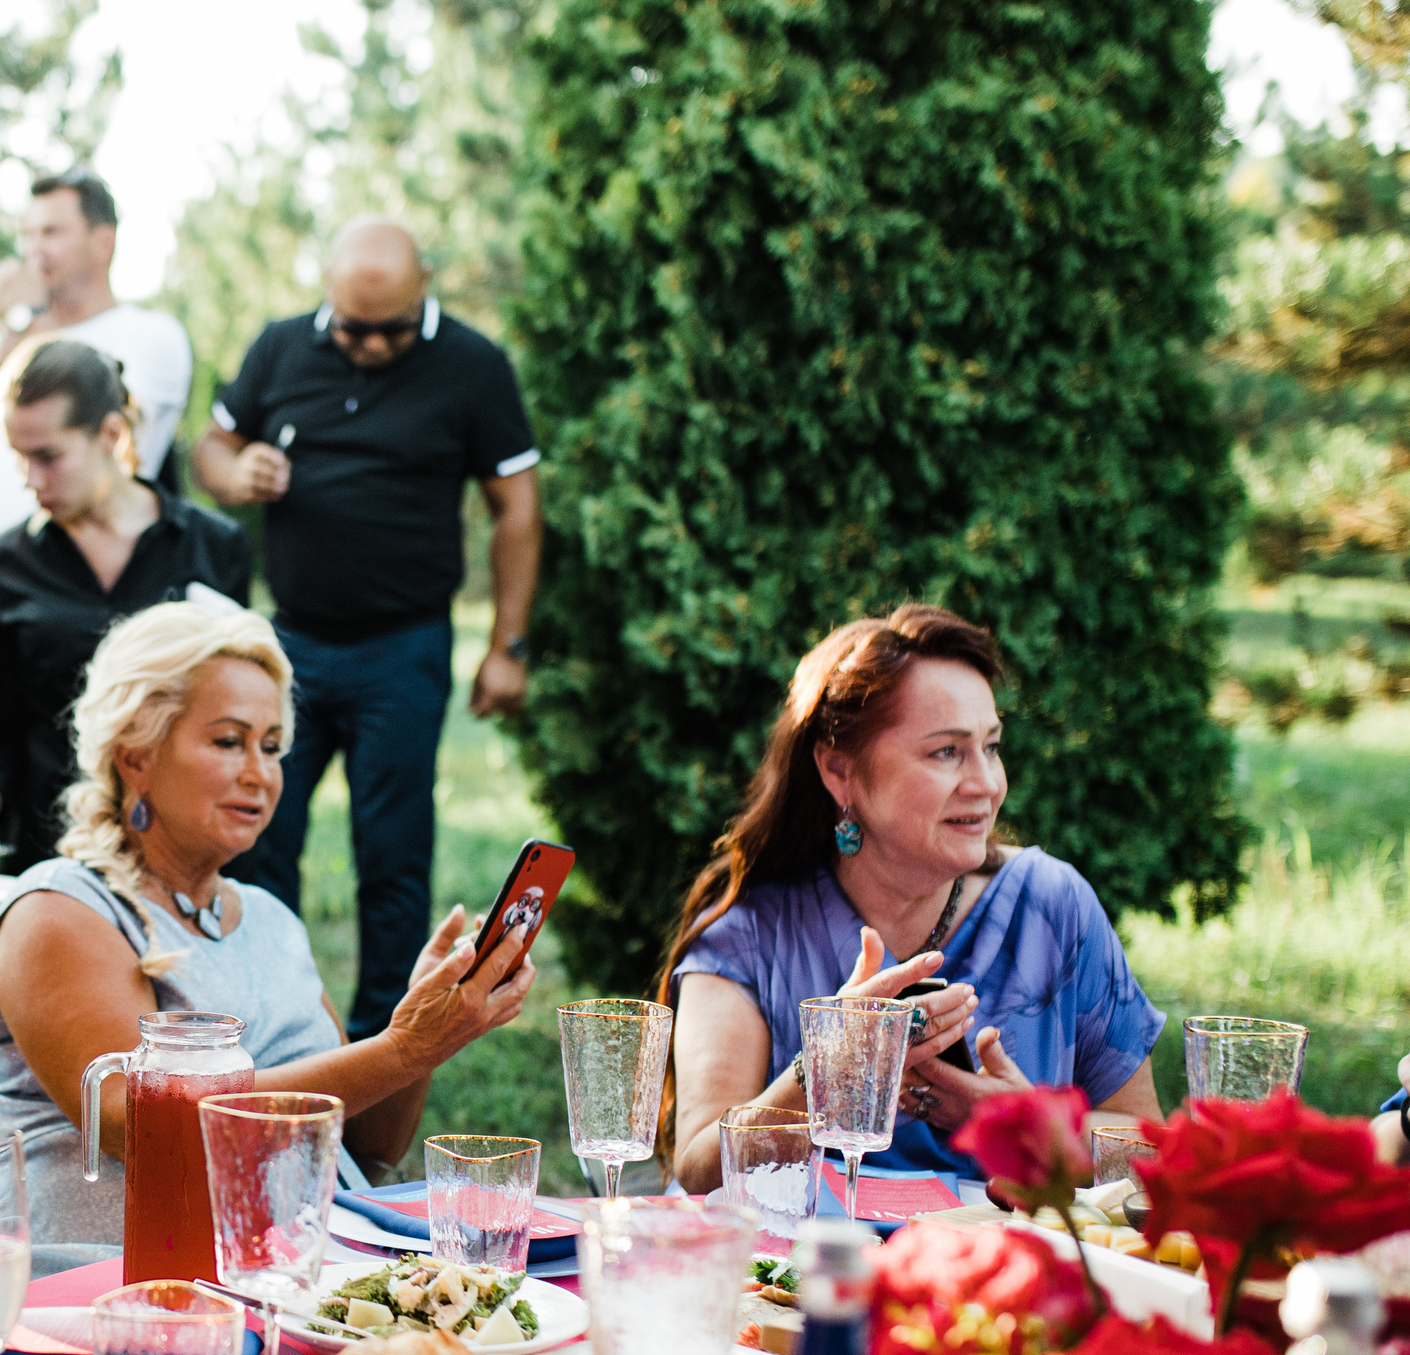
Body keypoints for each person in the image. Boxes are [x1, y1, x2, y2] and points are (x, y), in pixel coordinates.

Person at [0, 602, 534, 1244]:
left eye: (271, 747)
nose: (260, 775)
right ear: (136, 756)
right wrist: (402, 1046)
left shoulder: (268, 919)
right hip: (113, 1292)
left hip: (300, 1278)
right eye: (228, 741)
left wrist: (429, 1030)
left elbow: (366, 1146)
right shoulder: (58, 911)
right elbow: (140, 1129)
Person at [662, 604, 1166, 1194]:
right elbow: (696, 1173)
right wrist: (823, 1069)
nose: (987, 784)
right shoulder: (746, 934)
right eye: (946, 752)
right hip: (800, 1280)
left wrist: (1020, 1127)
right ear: (838, 769)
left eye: (992, 746)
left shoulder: (1053, 909)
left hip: (1003, 1276)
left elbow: (1151, 1149)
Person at [195, 216, 544, 1040]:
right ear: (328, 297)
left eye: (389, 330)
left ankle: (390, 1043)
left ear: (424, 287)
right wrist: (235, 471)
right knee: (257, 841)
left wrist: (508, 645)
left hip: (404, 646)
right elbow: (213, 446)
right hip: (291, 646)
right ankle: (265, 1030)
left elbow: (517, 509)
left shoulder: (472, 365)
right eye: (353, 328)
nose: (371, 346)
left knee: (392, 855)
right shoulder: (280, 348)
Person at [0, 340, 252, 869]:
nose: (29, 479)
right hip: (51, 850)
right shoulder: (3, 564)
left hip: (183, 844)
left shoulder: (213, 547)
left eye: (47, 457)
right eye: (17, 456)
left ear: (111, 433)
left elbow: (237, 711)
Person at [0, 167, 193, 553]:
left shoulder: (152, 336)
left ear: (103, 243)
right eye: (28, 235)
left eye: (51, 233)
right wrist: (8, 343)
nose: (34, 251)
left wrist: (30, 317)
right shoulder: (7, 338)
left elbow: (127, 448)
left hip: (90, 585)